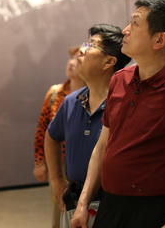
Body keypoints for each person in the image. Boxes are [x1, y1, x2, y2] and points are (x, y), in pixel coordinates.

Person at [71, 0, 165, 228]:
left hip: (156, 210)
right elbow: (103, 146)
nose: (125, 30)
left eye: (135, 24)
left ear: (159, 40)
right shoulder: (119, 79)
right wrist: (83, 203)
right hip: (111, 204)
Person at [45, 24, 131, 228]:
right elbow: (51, 137)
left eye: (91, 45)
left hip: (112, 206)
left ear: (109, 62)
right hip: (73, 201)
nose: (81, 50)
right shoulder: (72, 101)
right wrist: (56, 179)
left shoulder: (123, 104)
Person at [34, 45, 87, 228]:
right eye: (70, 58)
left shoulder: (93, 94)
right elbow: (42, 130)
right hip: (59, 161)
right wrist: (40, 162)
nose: (72, 63)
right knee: (61, 209)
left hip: (83, 160)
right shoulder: (55, 93)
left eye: (77, 59)